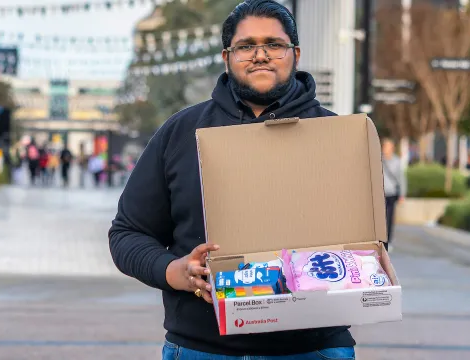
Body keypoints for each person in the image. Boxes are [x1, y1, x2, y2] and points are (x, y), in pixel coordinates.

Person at [108, 1, 357, 358]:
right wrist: (173, 270)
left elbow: (368, 236)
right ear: (227, 56)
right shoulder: (182, 133)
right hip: (203, 348)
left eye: (274, 44)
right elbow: (127, 233)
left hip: (313, 348)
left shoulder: (336, 136)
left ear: (295, 54)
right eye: (245, 46)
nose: (260, 55)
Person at [382, 138, 407, 249]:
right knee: (380, 218)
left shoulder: (397, 161)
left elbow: (401, 179)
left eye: (388, 146)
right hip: (380, 193)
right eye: (384, 146)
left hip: (391, 193)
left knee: (389, 217)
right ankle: (381, 240)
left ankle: (389, 240)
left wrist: (402, 194)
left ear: (392, 148)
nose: (385, 149)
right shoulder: (378, 159)